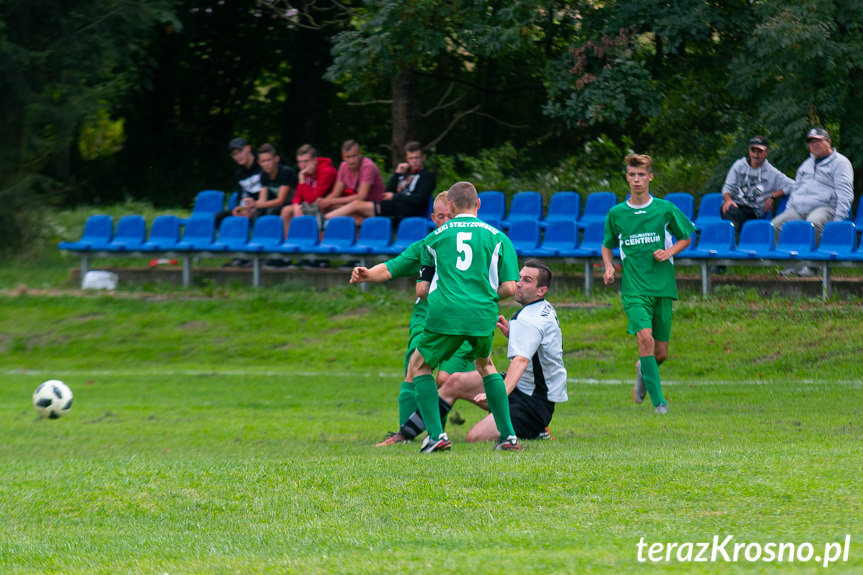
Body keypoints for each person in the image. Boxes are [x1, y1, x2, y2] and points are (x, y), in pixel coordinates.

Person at [392, 260, 567, 444]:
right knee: (455, 381)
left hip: (533, 404)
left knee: (474, 437)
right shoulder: (543, 309)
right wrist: (513, 335)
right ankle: (407, 434)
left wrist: (502, 392)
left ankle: (535, 428)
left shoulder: (528, 320)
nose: (518, 283)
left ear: (541, 290)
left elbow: (521, 361)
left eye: (527, 280)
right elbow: (542, 346)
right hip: (524, 389)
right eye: (519, 277)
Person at [349, 192, 474, 446]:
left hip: (462, 319)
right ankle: (407, 435)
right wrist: (367, 274)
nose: (446, 220)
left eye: (450, 215)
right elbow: (392, 266)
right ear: (434, 218)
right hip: (426, 319)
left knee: (447, 380)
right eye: (441, 216)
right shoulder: (427, 245)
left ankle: (517, 413)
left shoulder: (473, 244)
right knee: (414, 369)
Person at [411, 181, 520, 452]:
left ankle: (436, 435)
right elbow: (509, 288)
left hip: (446, 313)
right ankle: (508, 437)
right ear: (478, 204)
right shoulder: (499, 237)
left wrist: (443, 299)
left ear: (450, 206)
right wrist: (482, 297)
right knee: (486, 365)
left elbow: (421, 288)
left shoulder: (433, 238)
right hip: (482, 313)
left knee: (420, 365)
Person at [602, 154, 696, 415]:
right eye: (632, 175)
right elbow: (607, 245)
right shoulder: (617, 213)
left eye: (641, 175)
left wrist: (669, 252)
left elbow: (686, 237)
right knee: (645, 338)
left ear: (650, 177)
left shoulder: (664, 209)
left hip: (663, 287)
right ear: (627, 178)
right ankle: (659, 403)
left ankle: (643, 368)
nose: (636, 180)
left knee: (660, 353)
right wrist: (609, 267)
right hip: (634, 289)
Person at [772, 128, 855, 277]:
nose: (814, 145)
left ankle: (812, 266)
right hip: (798, 209)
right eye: (811, 142)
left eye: (818, 141)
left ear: (828, 142)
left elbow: (846, 193)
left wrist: (839, 219)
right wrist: (789, 210)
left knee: (813, 223)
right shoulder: (806, 164)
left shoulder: (840, 162)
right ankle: (793, 265)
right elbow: (796, 189)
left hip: (825, 207)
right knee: (776, 224)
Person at [323, 141, 436, 227]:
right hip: (392, 207)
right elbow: (388, 193)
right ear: (407, 159)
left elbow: (419, 199)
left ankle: (323, 221)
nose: (414, 161)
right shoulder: (403, 174)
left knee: (356, 205)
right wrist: (397, 174)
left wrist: (395, 197)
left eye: (417, 158)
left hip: (406, 210)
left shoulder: (427, 176)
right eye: (411, 158)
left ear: (423, 157)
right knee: (357, 217)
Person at [721, 136, 794, 240]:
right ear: (749, 151)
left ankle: (732, 245)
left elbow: (793, 185)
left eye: (759, 151)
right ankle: (731, 244)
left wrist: (773, 195)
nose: (755, 155)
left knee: (732, 215)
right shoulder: (738, 165)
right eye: (753, 151)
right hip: (735, 205)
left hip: (753, 210)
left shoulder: (772, 172)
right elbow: (728, 187)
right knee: (729, 209)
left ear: (766, 152)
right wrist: (728, 200)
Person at [281, 144, 337, 236]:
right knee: (286, 210)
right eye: (300, 162)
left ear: (314, 160)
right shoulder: (306, 172)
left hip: (327, 206)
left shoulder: (327, 171)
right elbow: (297, 196)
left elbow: (312, 200)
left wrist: (302, 179)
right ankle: (289, 243)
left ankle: (314, 244)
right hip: (313, 206)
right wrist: (295, 206)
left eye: (306, 161)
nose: (302, 165)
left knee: (314, 210)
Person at [316, 140, 386, 214]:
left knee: (338, 208)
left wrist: (329, 201)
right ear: (343, 157)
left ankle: (323, 222)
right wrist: (323, 203)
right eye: (348, 157)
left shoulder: (368, 166)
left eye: (354, 156)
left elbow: (361, 197)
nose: (352, 160)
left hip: (375, 207)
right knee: (327, 207)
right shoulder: (343, 166)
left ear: (360, 154)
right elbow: (335, 193)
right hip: (358, 205)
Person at [216, 137, 261, 228]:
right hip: (247, 207)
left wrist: (254, 206)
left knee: (256, 216)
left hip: (262, 205)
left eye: (240, 151)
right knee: (218, 217)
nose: (238, 156)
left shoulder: (263, 164)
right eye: (234, 154)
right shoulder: (239, 173)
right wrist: (239, 209)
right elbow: (242, 195)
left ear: (248, 148)